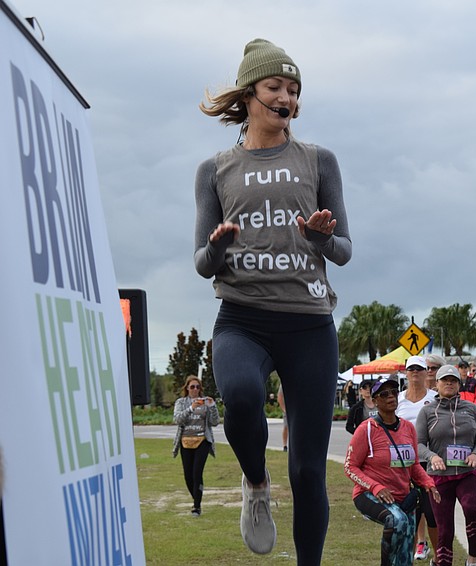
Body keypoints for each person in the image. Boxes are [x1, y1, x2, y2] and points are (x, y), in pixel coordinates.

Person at [195, 38, 352, 560]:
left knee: (309, 472)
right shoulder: (215, 170)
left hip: (308, 325)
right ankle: (256, 486)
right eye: (275, 87)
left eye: (294, 89)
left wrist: (319, 239)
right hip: (242, 318)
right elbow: (201, 262)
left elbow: (344, 251)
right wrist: (217, 248)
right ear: (249, 95)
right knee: (238, 398)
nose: (287, 97)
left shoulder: (318, 161)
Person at [344, 378, 440, 566]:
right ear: (375, 400)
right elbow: (350, 466)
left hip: (404, 496)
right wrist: (376, 487)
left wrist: (429, 484)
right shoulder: (367, 429)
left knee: (406, 551)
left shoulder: (408, 428)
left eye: (394, 392)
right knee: (397, 521)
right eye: (384, 394)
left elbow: (413, 466)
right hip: (370, 495)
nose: (391, 397)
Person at [417, 365, 476, 566]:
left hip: (467, 473)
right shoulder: (427, 411)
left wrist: (475, 453)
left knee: (471, 509)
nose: (449, 384)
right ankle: (442, 563)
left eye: (453, 380)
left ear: (459, 384)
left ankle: (472, 558)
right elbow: (418, 443)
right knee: (445, 529)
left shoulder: (471, 409)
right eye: (445, 380)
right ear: (436, 383)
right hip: (439, 476)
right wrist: (431, 457)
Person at [397, 355, 440, 562]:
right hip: (402, 463)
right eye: (411, 369)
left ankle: (439, 555)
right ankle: (412, 552)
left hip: (427, 461)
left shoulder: (435, 397)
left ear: (426, 373)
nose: (415, 372)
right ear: (406, 373)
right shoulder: (397, 400)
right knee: (408, 511)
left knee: (431, 512)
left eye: (419, 369)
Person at [172, 375, 220, 516]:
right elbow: (177, 419)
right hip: (185, 441)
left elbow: (215, 422)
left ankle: (196, 507)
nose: (195, 389)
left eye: (198, 387)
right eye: (192, 387)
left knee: (197, 472)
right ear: (187, 388)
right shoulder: (181, 402)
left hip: (202, 440)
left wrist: (212, 407)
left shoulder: (205, 403)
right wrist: (191, 408)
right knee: (188, 476)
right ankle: (196, 497)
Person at [277, 384, 289, 451]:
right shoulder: (283, 384)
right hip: (287, 409)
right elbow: (280, 396)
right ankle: (285, 445)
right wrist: (284, 409)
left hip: (295, 408)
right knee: (286, 426)